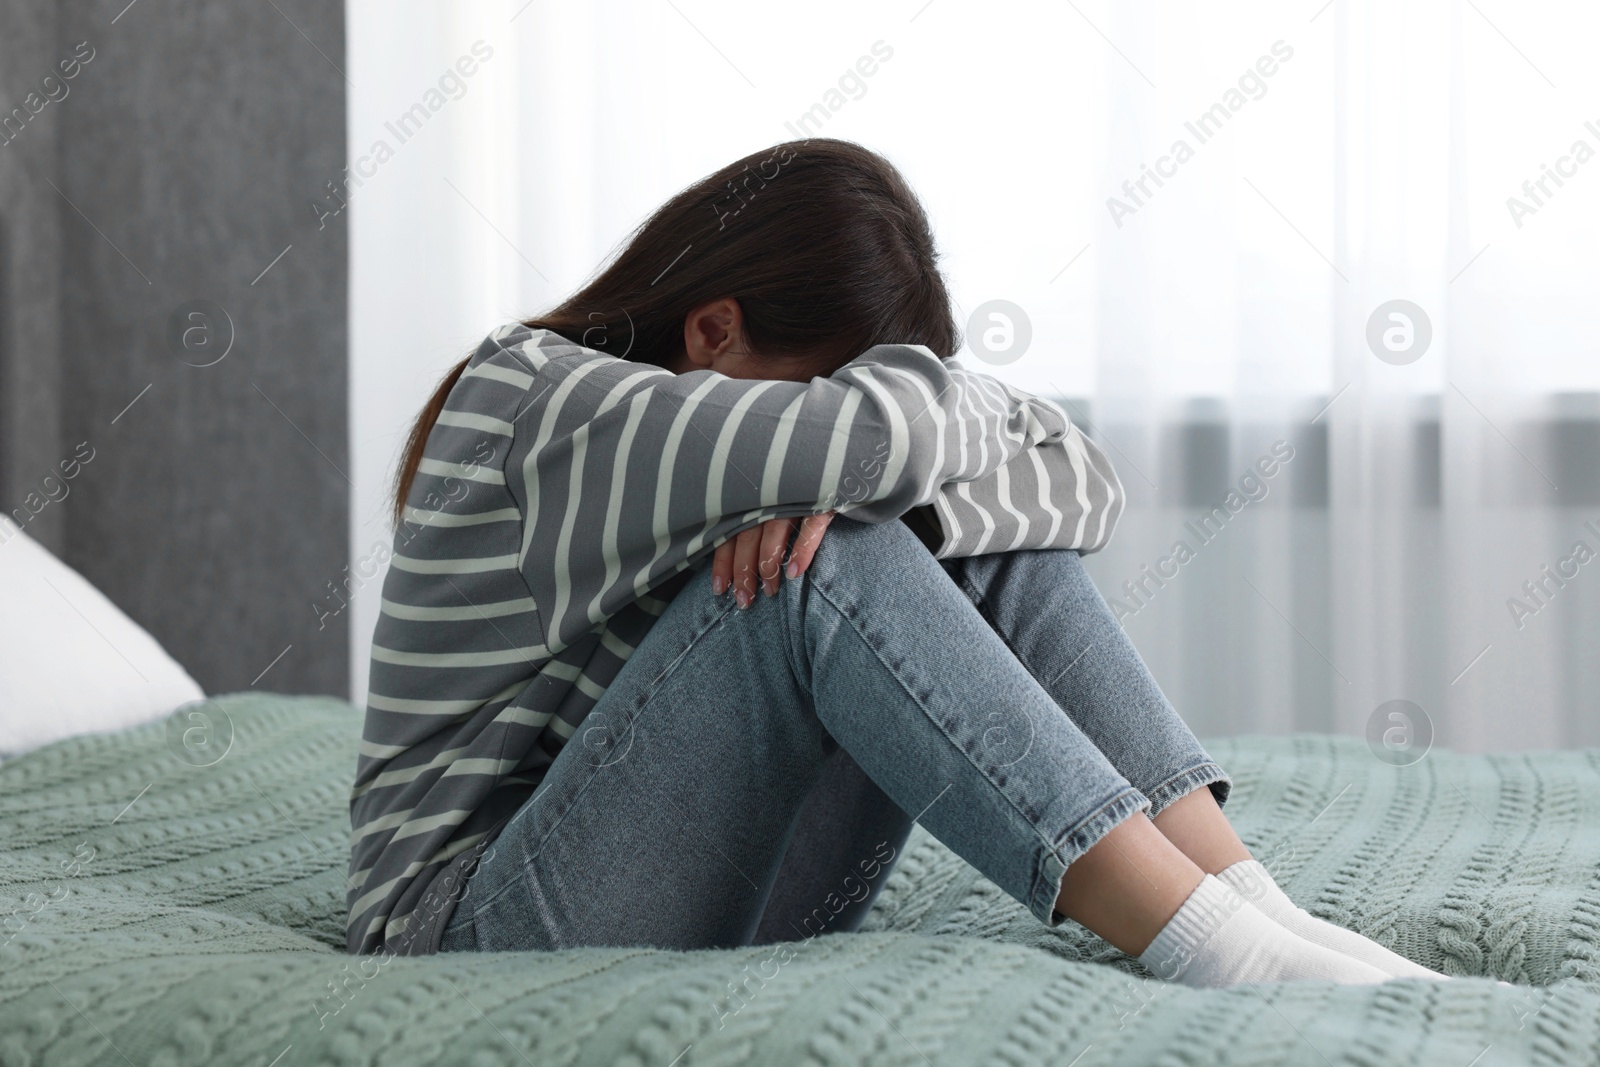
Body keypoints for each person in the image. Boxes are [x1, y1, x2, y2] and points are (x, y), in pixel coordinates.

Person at [346, 139, 1444, 988]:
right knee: (837, 554)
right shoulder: (532, 396)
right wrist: (885, 474)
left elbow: (1081, 478)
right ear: (712, 331)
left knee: (978, 541)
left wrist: (902, 495)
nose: (832, 438)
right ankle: (1219, 949)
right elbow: (881, 446)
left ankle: (1249, 901)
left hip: (713, 886)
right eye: (823, 390)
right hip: (463, 926)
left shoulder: (731, 425)